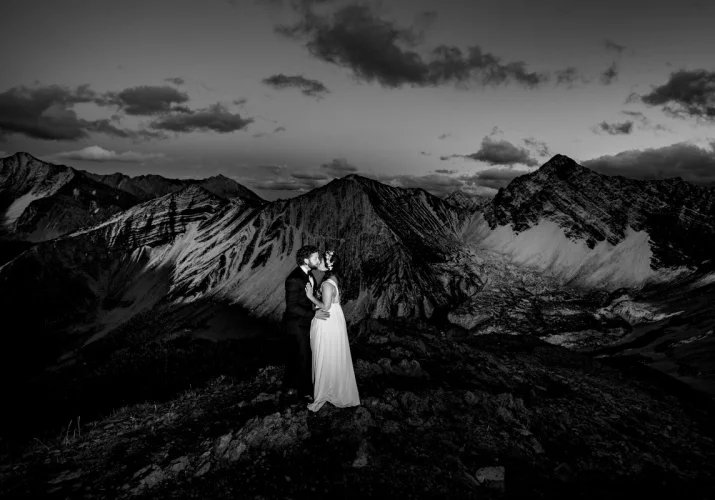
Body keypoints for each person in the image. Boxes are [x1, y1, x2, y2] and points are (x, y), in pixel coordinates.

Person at [304, 250, 360, 411]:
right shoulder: (334, 279)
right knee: (333, 353)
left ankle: (324, 392)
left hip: (327, 320)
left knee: (325, 353)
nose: (318, 263)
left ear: (328, 265)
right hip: (334, 318)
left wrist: (311, 297)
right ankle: (334, 387)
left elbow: (326, 306)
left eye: (321, 261)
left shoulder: (327, 283)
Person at [283, 245, 330, 401]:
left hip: (303, 321)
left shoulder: (308, 274)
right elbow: (292, 306)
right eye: (315, 258)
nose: (318, 260)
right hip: (296, 323)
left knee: (297, 355)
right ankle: (304, 393)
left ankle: (289, 387)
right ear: (305, 260)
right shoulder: (293, 279)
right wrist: (314, 314)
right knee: (303, 356)